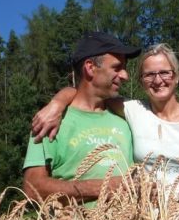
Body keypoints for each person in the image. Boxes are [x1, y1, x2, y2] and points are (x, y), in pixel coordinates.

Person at [31, 43, 179, 191]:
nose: (158, 80)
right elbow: (87, 92)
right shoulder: (133, 111)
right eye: (149, 75)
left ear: (177, 76)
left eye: (165, 72)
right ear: (141, 81)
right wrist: (57, 103)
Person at [23, 31, 141, 206]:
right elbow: (32, 188)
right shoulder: (49, 120)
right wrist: (105, 187)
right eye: (117, 67)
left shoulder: (126, 116)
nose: (125, 76)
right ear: (90, 67)